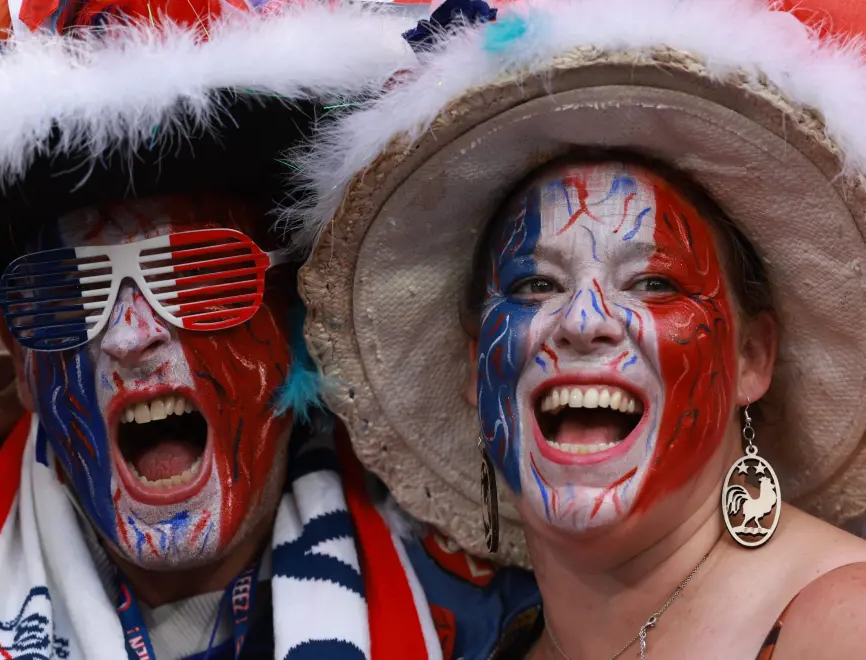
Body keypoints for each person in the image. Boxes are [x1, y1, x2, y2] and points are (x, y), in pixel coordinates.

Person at [0, 1, 541, 659]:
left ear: (303, 313)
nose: (131, 337)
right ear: (20, 360)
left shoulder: (486, 579)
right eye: (64, 295)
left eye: (202, 275)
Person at [290, 0, 866, 657]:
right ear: (476, 364)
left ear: (752, 357)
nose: (583, 321)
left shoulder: (839, 623)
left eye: (653, 284)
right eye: (536, 285)